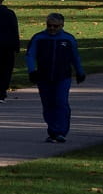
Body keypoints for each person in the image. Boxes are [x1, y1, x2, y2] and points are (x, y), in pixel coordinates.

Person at [26, 12, 86, 143]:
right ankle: (53, 131)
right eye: (49, 25)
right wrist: (32, 71)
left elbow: (75, 57)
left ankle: (61, 131)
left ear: (62, 25)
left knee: (61, 102)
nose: (52, 28)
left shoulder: (68, 39)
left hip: (62, 76)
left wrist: (80, 72)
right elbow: (30, 55)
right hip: (44, 77)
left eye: (55, 26)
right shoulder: (39, 38)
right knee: (48, 104)